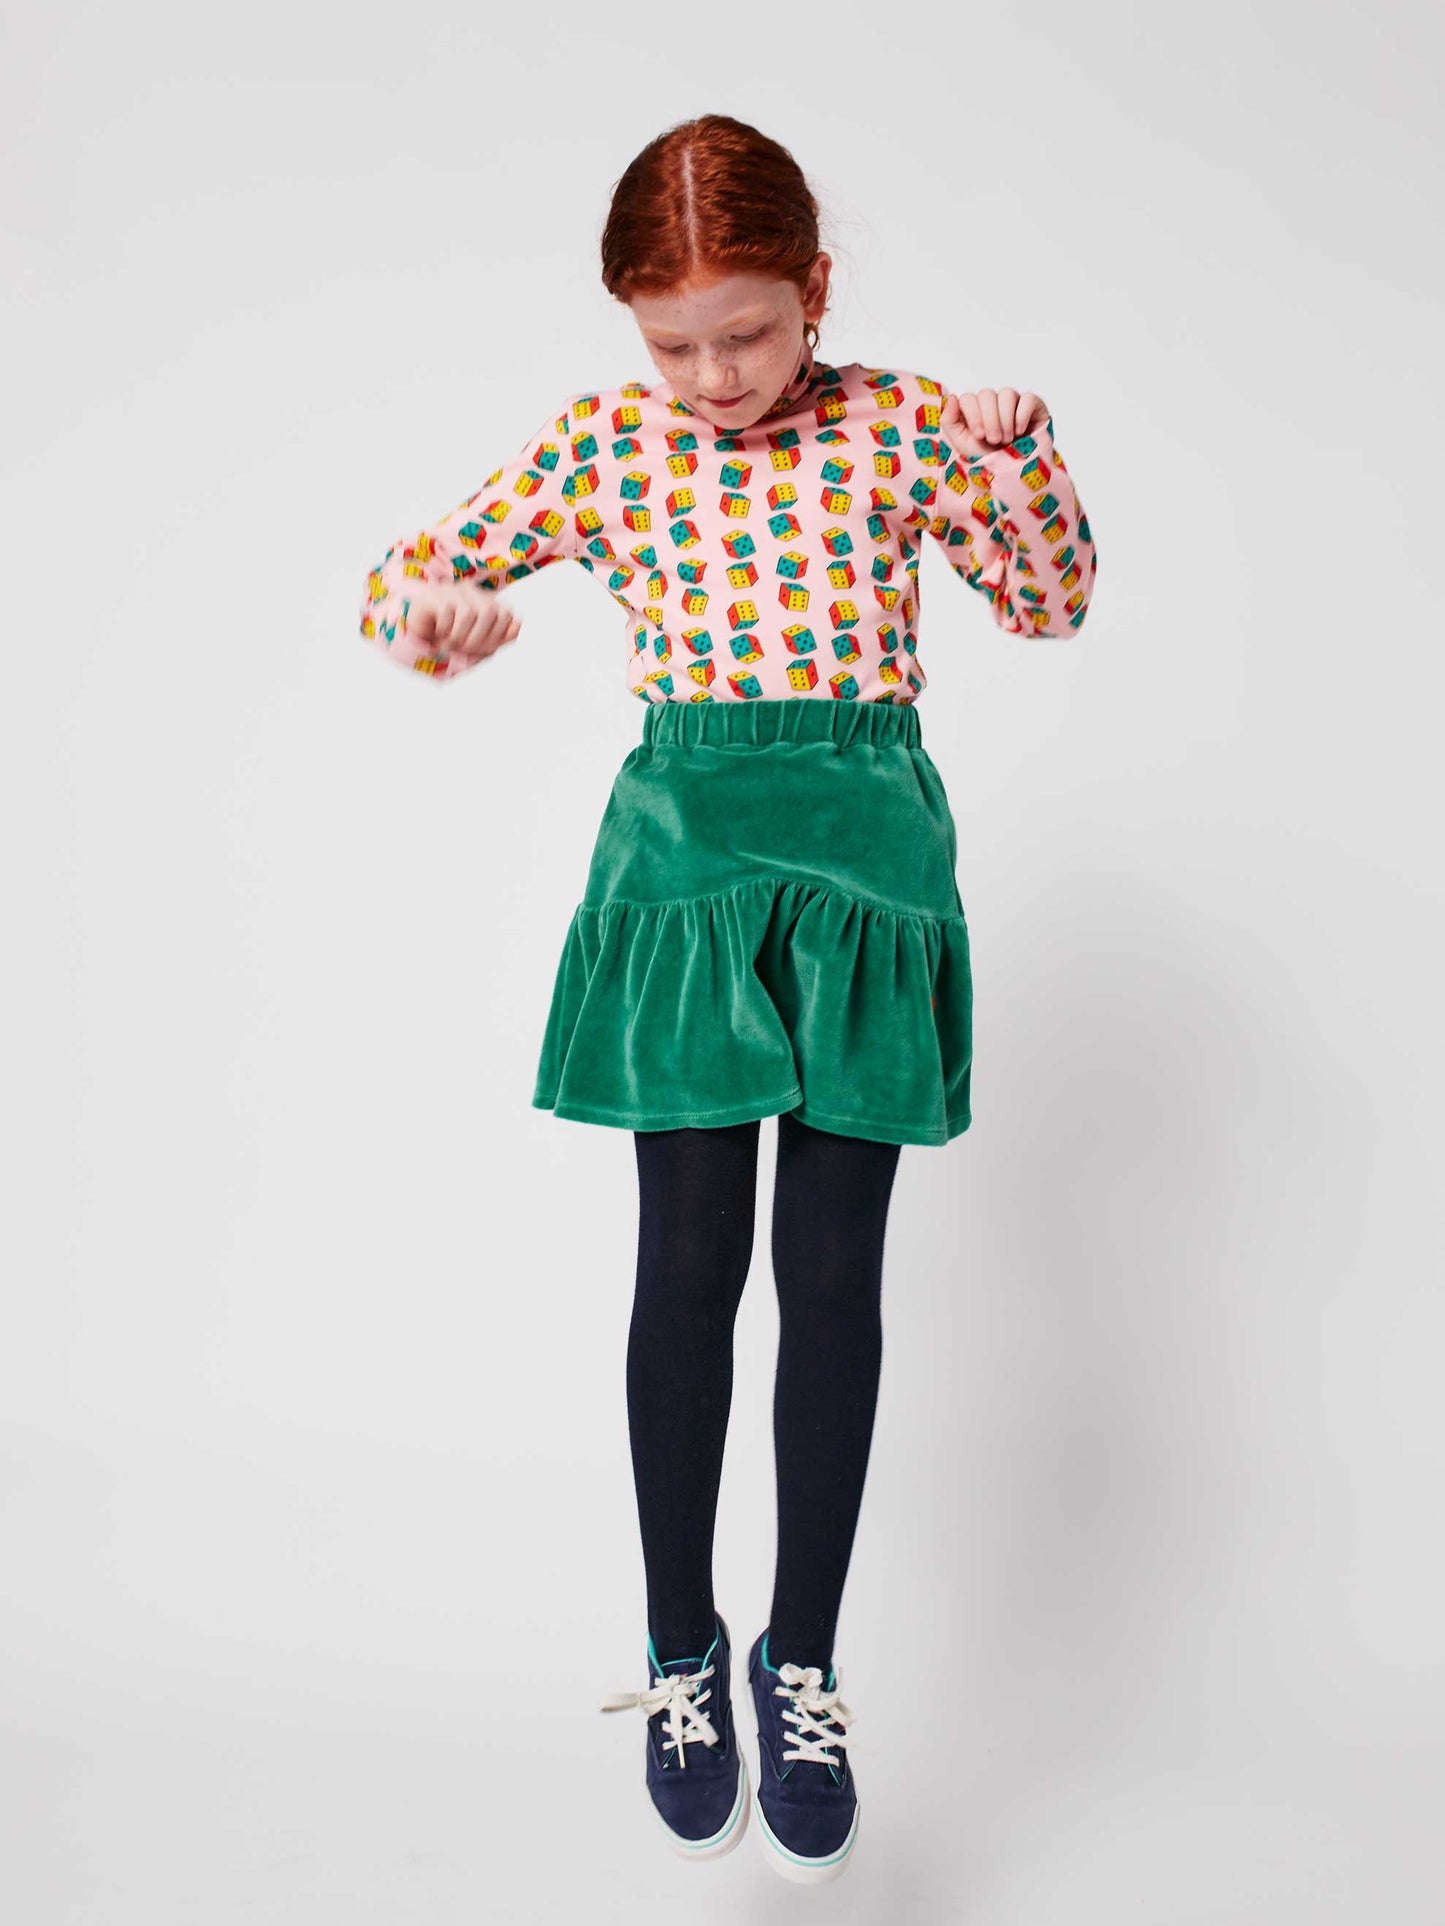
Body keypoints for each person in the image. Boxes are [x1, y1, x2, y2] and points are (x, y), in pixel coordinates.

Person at [357, 112, 1097, 1885]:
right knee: (687, 1266)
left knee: (831, 1280)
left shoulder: (903, 421)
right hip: (685, 878)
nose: (712, 377)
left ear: (815, 290)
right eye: (673, 344)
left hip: (865, 873)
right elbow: (402, 584)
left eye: (748, 334)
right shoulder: (606, 445)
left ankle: (803, 1659)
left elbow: (1049, 605)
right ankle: (680, 1645)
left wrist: (1017, 456)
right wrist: (438, 623)